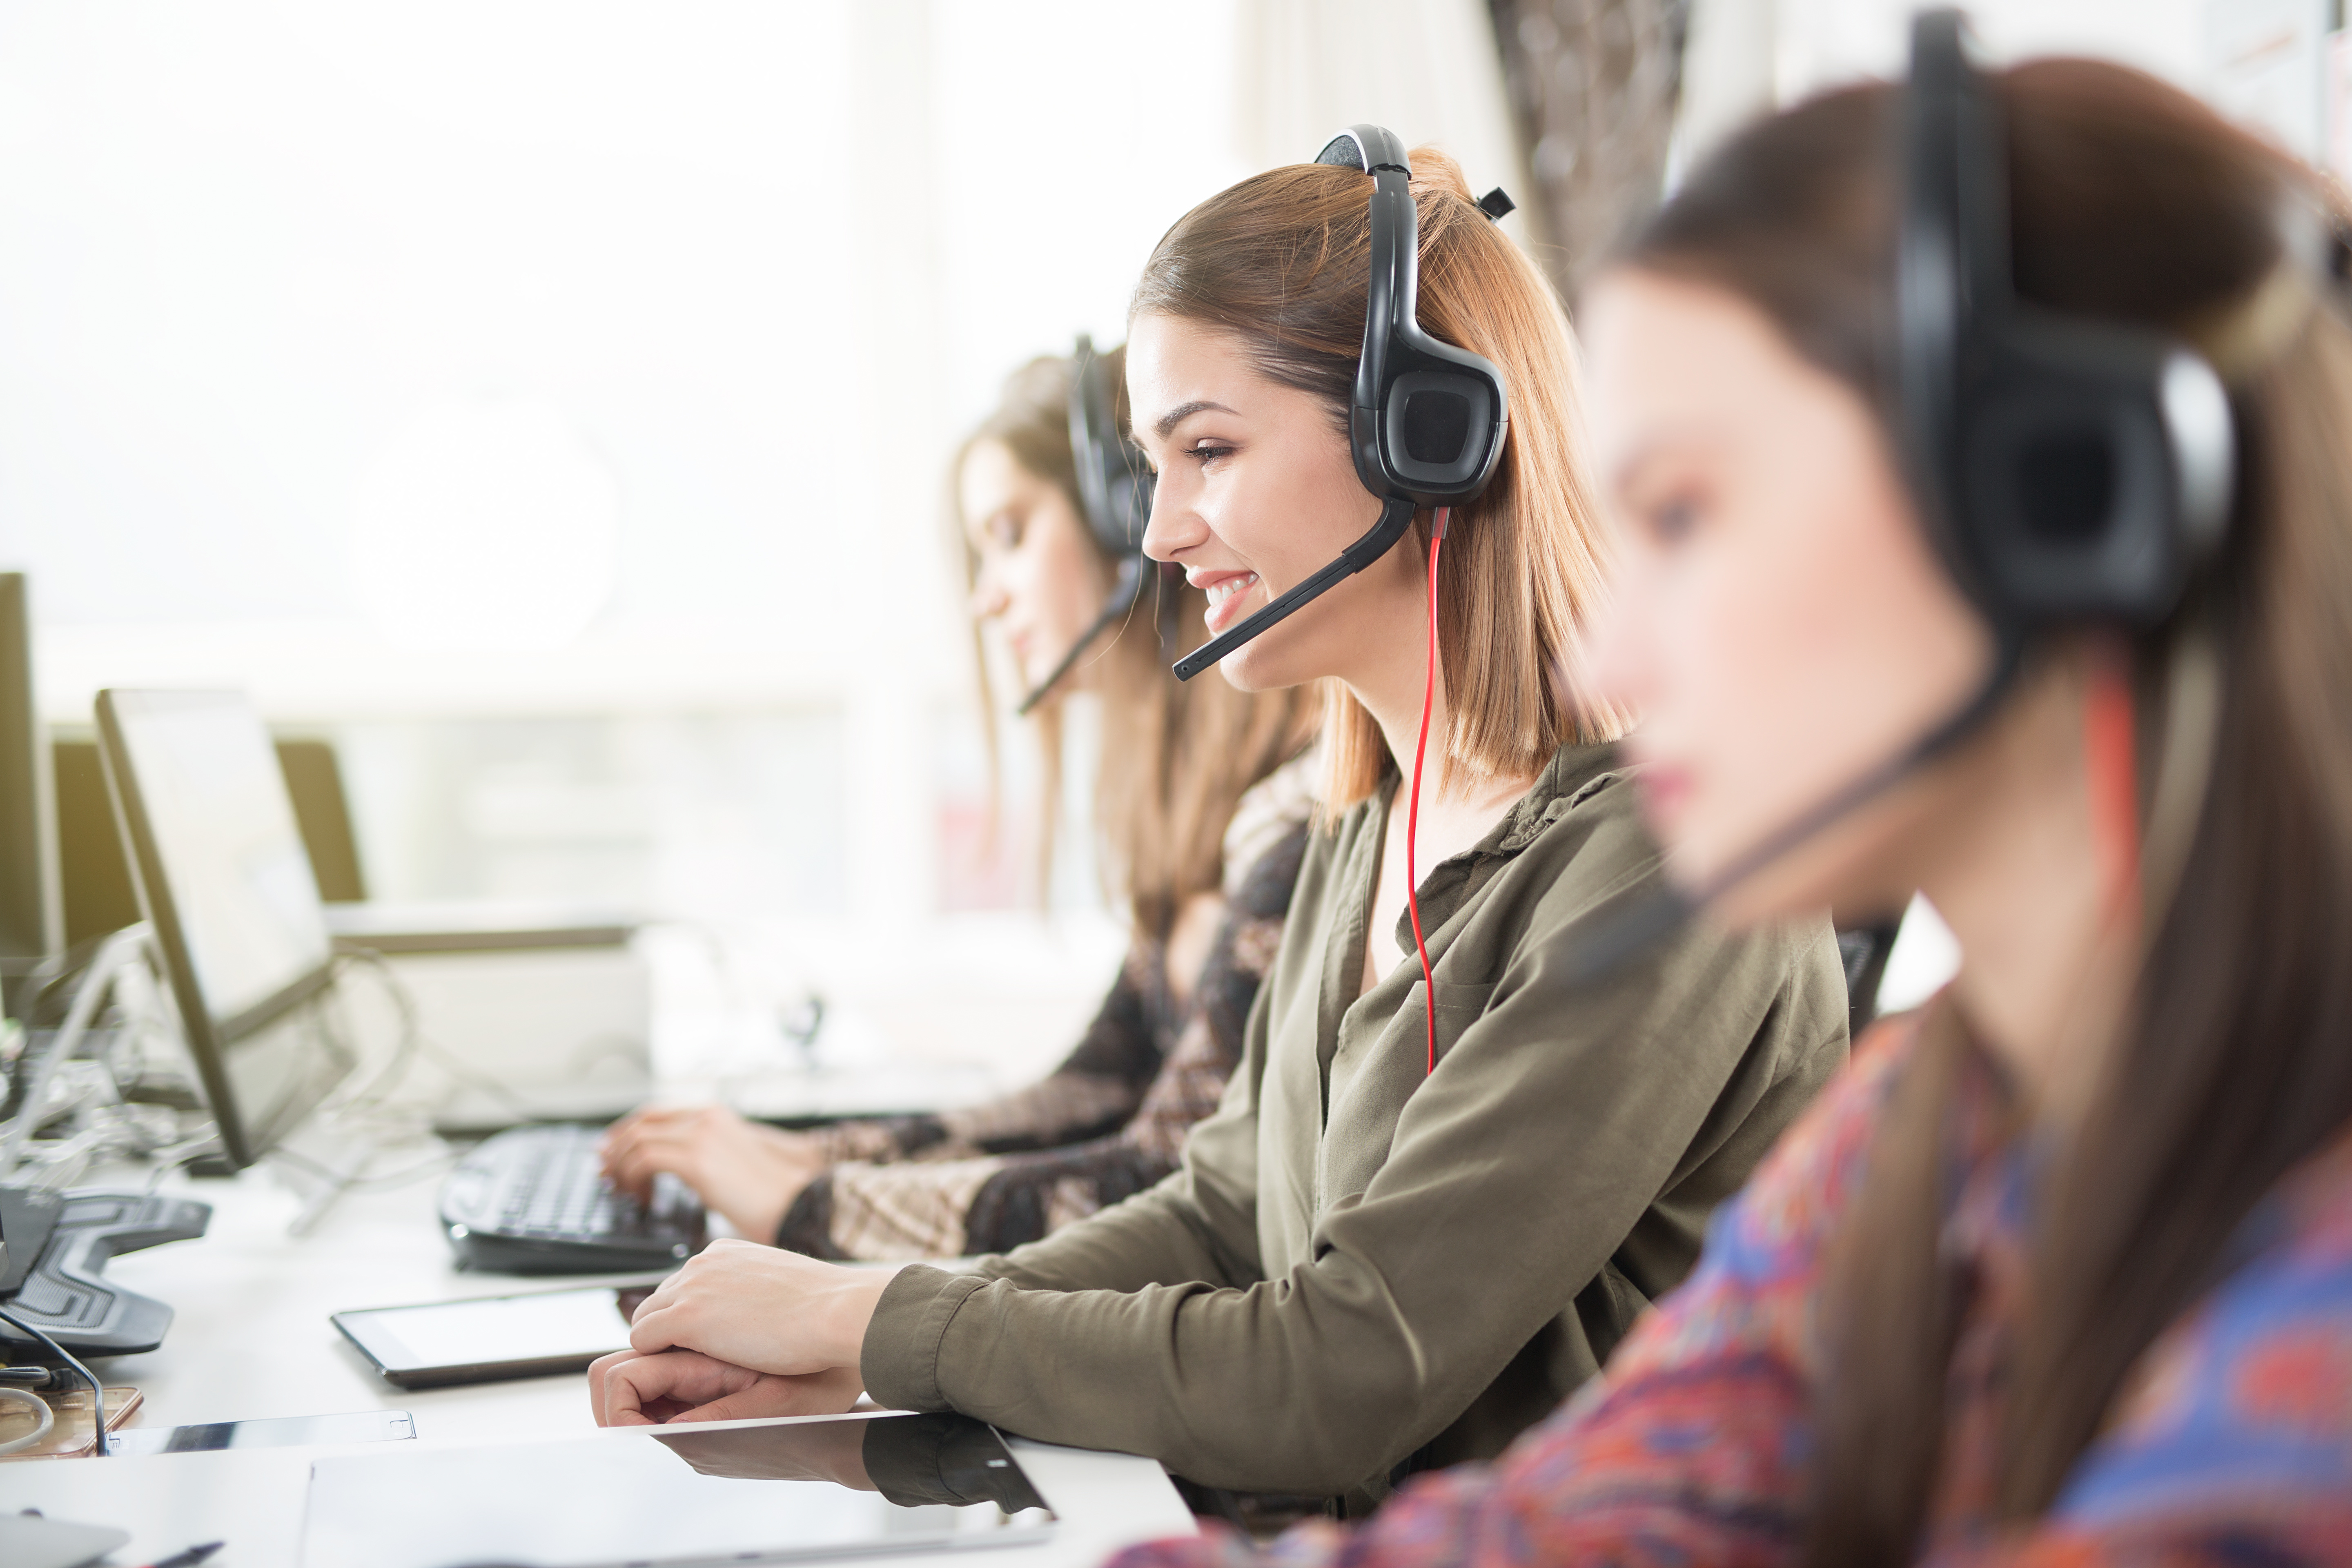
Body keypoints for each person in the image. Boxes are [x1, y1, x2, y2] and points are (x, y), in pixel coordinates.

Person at [1100, 33, 2352, 1568]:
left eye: (1692, 510)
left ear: (2061, 500)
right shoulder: (1938, 1123)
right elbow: (1602, 1517)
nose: (1620, 643)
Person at [587, 141, 1849, 1517]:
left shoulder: (1670, 860)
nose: (1167, 531)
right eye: (1155, 465)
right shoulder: (1365, 816)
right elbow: (1221, 1209)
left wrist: (874, 1325)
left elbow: (1338, 1372)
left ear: (1424, 435)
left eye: (1209, 450)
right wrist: (863, 1351)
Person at [600, 346, 1319, 1261]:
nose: (987, 599)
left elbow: (1165, 1181)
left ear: (1125, 517)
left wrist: (811, 1204)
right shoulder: (1189, 819)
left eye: (1011, 534)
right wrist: (804, 1154)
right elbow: (1086, 1094)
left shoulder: (1296, 821)